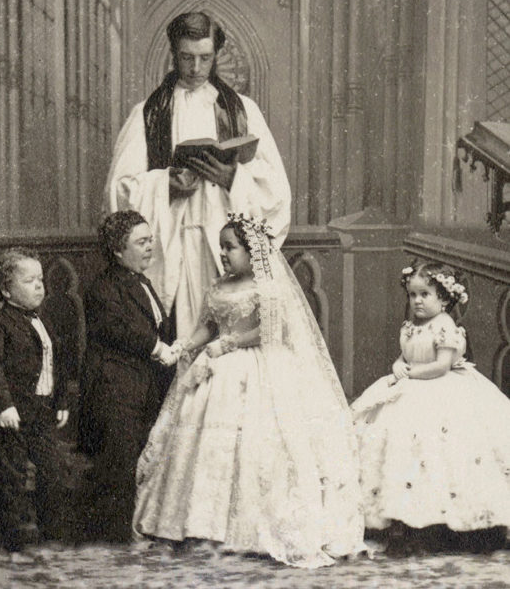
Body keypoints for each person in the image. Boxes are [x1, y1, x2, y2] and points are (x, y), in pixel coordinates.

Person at [133, 213, 365, 568]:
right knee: (203, 447)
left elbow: (271, 332)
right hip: (215, 371)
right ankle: (194, 528)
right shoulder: (219, 286)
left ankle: (245, 532)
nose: (224, 254)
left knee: (254, 446)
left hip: (257, 369)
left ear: (252, 250)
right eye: (221, 247)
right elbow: (207, 328)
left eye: (231, 247)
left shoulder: (267, 287)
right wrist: (184, 346)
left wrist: (229, 344)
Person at [103, 11, 291, 337]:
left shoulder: (243, 110)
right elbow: (119, 190)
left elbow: (277, 191)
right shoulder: (147, 113)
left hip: (222, 248)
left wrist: (233, 178)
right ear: (173, 54)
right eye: (187, 58)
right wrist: (165, 185)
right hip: (171, 249)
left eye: (205, 58)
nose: (195, 68)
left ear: (215, 55)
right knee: (180, 341)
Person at [351, 261, 510, 554]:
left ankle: (448, 523)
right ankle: (400, 519)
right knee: (397, 445)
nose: (417, 301)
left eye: (425, 294)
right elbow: (404, 356)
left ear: (445, 299)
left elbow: (441, 366)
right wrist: (399, 366)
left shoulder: (446, 327)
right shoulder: (412, 327)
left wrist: (410, 373)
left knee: (438, 450)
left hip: (441, 389)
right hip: (410, 385)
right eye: (413, 295)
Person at [78, 210, 175, 543]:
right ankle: (114, 538)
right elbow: (120, 329)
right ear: (118, 250)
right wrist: (158, 347)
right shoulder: (104, 287)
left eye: (151, 240)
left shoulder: (140, 280)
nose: (150, 247)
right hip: (114, 387)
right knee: (118, 464)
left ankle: (131, 530)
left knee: (137, 460)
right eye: (142, 242)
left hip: (138, 384)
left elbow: (154, 324)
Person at [0, 248, 71, 552]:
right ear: (5, 290)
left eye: (41, 279)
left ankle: (51, 528)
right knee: (10, 474)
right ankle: (15, 533)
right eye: (29, 281)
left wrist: (62, 400)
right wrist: (4, 405)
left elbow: (57, 364)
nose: (40, 286)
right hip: (11, 414)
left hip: (40, 410)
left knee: (52, 469)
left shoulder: (43, 321)